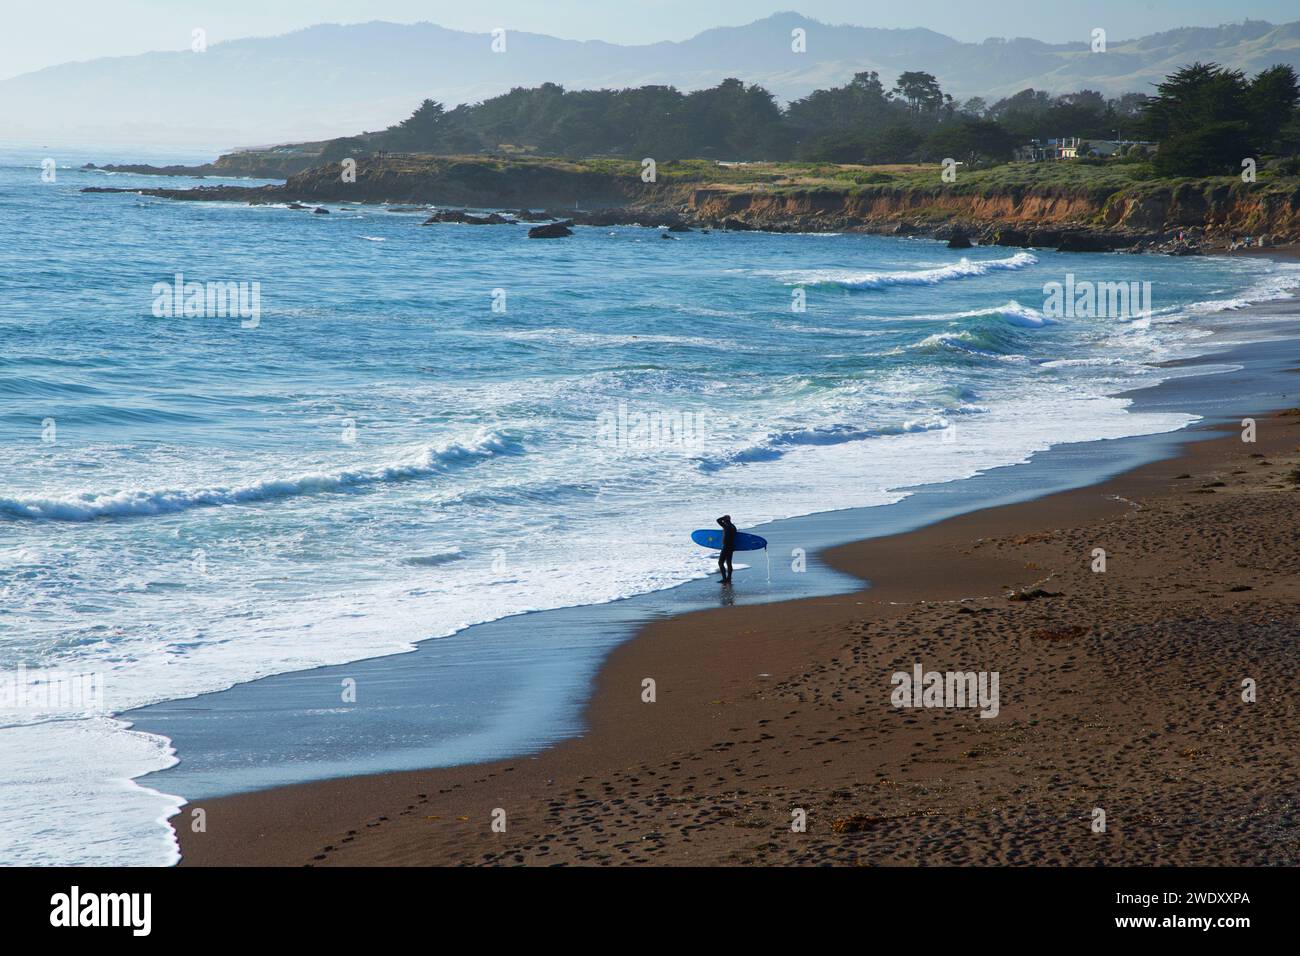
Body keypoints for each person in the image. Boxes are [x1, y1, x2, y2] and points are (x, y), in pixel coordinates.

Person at [716, 514, 737, 583]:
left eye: (724, 520)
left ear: (725, 520)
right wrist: (726, 518)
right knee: (728, 562)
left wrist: (723, 518)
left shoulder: (726, 526)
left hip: (726, 547)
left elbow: (718, 520)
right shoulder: (733, 527)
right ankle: (729, 578)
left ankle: (724, 579)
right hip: (731, 547)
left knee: (720, 563)